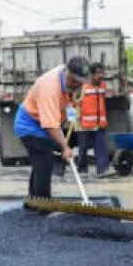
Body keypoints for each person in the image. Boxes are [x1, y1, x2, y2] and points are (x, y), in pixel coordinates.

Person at [14, 56, 91, 201]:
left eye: (80, 82)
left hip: (44, 125)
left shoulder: (71, 83)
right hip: (30, 125)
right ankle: (44, 203)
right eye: (74, 80)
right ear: (66, 71)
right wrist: (65, 147)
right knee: (45, 162)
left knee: (40, 164)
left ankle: (33, 201)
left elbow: (66, 106)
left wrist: (72, 111)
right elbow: (50, 125)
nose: (77, 85)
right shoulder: (49, 87)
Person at [75, 63, 115, 178]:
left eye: (102, 72)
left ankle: (103, 169)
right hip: (84, 124)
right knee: (82, 148)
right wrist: (73, 120)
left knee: (101, 146)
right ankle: (82, 170)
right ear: (91, 74)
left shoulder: (103, 85)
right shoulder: (82, 87)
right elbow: (73, 103)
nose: (101, 75)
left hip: (98, 124)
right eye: (98, 73)